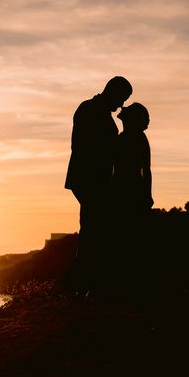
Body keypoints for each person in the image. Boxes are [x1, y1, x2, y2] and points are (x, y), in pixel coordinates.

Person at [64, 76, 132, 298]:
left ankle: (84, 284)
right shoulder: (89, 109)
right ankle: (79, 285)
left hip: (95, 179)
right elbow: (84, 146)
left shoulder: (98, 111)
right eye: (122, 98)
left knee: (94, 228)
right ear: (113, 92)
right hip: (88, 178)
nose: (121, 105)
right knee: (93, 229)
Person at [112, 102, 154, 299]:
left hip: (129, 191)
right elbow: (146, 170)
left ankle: (131, 283)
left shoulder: (128, 139)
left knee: (131, 237)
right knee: (128, 237)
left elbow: (146, 170)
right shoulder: (127, 139)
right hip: (126, 191)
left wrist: (147, 194)